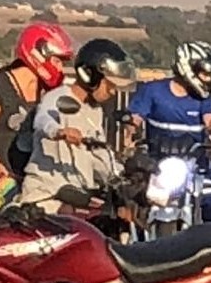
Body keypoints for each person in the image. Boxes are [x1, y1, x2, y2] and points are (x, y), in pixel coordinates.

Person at [19, 38, 137, 213]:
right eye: (109, 85)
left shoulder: (95, 110)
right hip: (47, 196)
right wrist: (58, 131)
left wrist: (122, 177)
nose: (113, 92)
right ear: (90, 75)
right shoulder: (58, 98)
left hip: (78, 196)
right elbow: (42, 120)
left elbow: (99, 156)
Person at [128, 41, 211, 222]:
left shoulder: (204, 98)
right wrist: (128, 135)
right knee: (130, 198)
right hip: (155, 165)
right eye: (205, 74)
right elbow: (134, 119)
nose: (208, 79)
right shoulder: (152, 91)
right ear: (187, 67)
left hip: (195, 166)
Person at [0, 22, 74, 199]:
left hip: (34, 180)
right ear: (38, 55)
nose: (59, 68)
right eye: (57, 61)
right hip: (2, 181)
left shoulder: (46, 91)